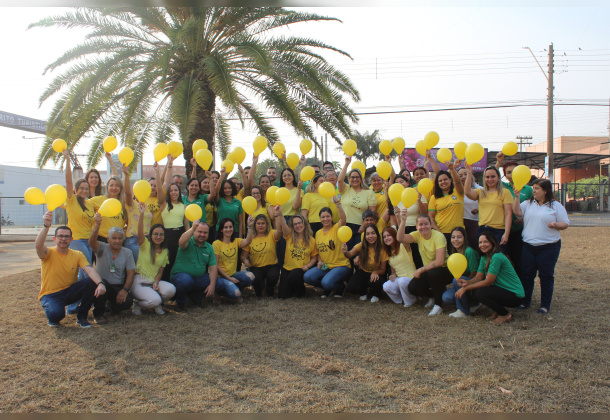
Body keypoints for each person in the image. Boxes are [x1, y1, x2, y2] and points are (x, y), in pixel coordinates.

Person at [36, 211, 105, 328]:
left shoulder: (77, 254)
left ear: (71, 239)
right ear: (54, 239)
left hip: (69, 291)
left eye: (66, 237)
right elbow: (38, 245)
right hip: (51, 294)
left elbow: (89, 270)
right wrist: (46, 226)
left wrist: (100, 283)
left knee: (91, 281)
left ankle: (82, 317)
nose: (63, 239)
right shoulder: (48, 253)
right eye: (60, 236)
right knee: (56, 316)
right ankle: (52, 311)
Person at [512, 179, 569, 314]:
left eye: (537, 188)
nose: (534, 191)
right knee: (527, 275)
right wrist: (517, 197)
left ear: (545, 191)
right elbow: (517, 212)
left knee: (546, 276)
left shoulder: (555, 206)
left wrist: (555, 225)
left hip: (549, 247)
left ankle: (545, 305)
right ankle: (525, 302)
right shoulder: (529, 203)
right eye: (533, 188)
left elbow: (565, 223)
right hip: (529, 246)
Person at [454, 232, 524, 324]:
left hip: (515, 295)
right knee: (478, 290)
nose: (482, 245)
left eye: (485, 242)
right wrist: (468, 282)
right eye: (480, 242)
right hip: (502, 290)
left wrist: (465, 288)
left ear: (493, 242)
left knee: (480, 292)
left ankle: (505, 315)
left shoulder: (497, 257)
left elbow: (488, 282)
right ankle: (497, 311)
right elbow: (479, 277)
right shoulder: (484, 257)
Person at [397, 212, 452, 316]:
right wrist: (403, 221)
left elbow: (440, 262)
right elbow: (400, 238)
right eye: (420, 224)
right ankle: (433, 296)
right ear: (417, 226)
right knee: (413, 287)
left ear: (431, 225)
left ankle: (438, 305)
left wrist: (420, 270)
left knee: (433, 273)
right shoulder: (417, 235)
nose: (423, 227)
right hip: (430, 270)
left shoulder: (438, 236)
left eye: (426, 224)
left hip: (444, 270)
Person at [89, 214, 136, 324]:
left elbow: (130, 274)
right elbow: (91, 242)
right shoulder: (101, 248)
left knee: (127, 301)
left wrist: (124, 290)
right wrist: (97, 225)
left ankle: (112, 307)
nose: (117, 241)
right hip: (102, 285)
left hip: (118, 287)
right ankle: (98, 314)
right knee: (102, 286)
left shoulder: (127, 253)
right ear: (108, 239)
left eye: (120, 238)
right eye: (114, 238)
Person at [130, 202, 176, 315]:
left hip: (152, 281)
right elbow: (140, 231)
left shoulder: (165, 252)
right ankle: (138, 303)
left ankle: (156, 302)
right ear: (151, 235)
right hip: (139, 281)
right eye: (155, 234)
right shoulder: (145, 244)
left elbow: (160, 272)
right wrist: (141, 215)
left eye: (161, 235)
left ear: (164, 237)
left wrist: (156, 281)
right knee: (155, 300)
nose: (158, 237)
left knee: (171, 290)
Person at [304, 196, 352, 298]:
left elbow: (343, 219)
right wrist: (320, 261)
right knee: (307, 277)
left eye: (328, 216)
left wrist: (338, 205)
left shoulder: (336, 228)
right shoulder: (318, 233)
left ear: (331, 217)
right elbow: (319, 251)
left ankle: (339, 287)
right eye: (323, 217)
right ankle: (328, 287)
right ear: (320, 218)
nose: (325, 219)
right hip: (326, 267)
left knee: (327, 282)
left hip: (341, 265)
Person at [496, 153, 534, 278]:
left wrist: (523, 219)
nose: (511, 174)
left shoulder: (528, 190)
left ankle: (519, 288)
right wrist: (499, 161)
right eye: (508, 172)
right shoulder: (503, 187)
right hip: (503, 229)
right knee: (502, 260)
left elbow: (533, 208)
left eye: (514, 171)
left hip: (519, 231)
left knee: (518, 260)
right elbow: (491, 176)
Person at [169, 220, 218, 312]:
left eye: (205, 233)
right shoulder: (188, 242)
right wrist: (192, 228)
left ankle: (195, 298)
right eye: (199, 231)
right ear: (194, 232)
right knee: (186, 280)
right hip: (180, 277)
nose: (202, 235)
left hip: (197, 279)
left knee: (213, 279)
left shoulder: (209, 247)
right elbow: (181, 242)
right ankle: (180, 304)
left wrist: (212, 285)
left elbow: (213, 268)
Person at [62, 150, 95, 282]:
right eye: (81, 188)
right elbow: (69, 182)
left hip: (89, 241)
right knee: (88, 271)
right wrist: (68, 161)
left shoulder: (90, 204)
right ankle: (89, 299)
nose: (84, 190)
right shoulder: (71, 200)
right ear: (75, 190)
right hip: (77, 240)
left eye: (86, 188)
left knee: (82, 273)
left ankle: (78, 301)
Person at [155, 156, 189, 279]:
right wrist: (161, 170)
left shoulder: (184, 206)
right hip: (167, 236)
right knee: (166, 263)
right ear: (169, 193)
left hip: (180, 234)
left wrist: (188, 237)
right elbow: (159, 189)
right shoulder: (164, 204)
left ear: (179, 192)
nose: (174, 192)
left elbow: (186, 225)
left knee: (178, 262)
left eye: (176, 190)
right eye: (171, 190)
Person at [464, 164, 513, 249]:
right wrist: (469, 173)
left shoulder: (505, 192)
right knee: (483, 258)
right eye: (487, 177)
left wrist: (506, 233)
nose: (490, 179)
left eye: (493, 176)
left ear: (498, 177)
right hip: (483, 230)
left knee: (497, 258)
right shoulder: (481, 191)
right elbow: (467, 192)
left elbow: (508, 213)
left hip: (498, 231)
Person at [275, 208, 318, 299]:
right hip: (287, 269)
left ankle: (301, 290)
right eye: (295, 224)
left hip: (300, 270)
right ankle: (292, 288)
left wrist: (308, 266)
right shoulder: (289, 235)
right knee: (282, 296)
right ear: (292, 226)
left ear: (304, 224)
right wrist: (280, 214)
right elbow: (283, 225)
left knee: (294, 277)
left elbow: (314, 258)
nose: (298, 226)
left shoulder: (312, 240)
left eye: (299, 223)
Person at [441, 227, 481, 318]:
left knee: (457, 280)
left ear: (464, 238)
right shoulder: (454, 252)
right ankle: (472, 304)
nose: (456, 240)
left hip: (473, 284)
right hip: (461, 284)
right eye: (453, 237)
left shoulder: (469, 251)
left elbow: (474, 273)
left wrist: (464, 283)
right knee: (446, 297)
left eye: (459, 237)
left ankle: (463, 311)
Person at [212, 217, 255, 302]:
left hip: (233, 275)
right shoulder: (216, 244)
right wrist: (229, 278)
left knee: (251, 276)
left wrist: (249, 227)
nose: (228, 229)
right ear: (221, 230)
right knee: (237, 295)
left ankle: (233, 288)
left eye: (230, 227)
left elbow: (248, 241)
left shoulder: (236, 241)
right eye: (226, 227)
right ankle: (218, 293)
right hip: (221, 277)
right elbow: (215, 265)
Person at [338, 156, 376, 249]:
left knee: (359, 253)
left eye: (357, 177)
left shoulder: (368, 192)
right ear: (349, 178)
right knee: (347, 252)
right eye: (352, 177)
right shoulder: (345, 189)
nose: (355, 179)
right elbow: (339, 180)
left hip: (361, 227)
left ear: (361, 178)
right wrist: (346, 164)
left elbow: (372, 212)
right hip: (345, 226)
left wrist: (364, 226)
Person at [342, 224, 388, 303]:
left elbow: (383, 270)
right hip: (363, 272)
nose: (370, 236)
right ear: (365, 236)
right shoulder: (361, 245)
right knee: (351, 287)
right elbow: (349, 255)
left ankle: (376, 294)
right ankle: (363, 291)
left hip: (377, 273)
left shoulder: (382, 249)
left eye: (373, 233)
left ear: (377, 234)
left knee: (376, 281)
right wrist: (345, 251)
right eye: (367, 234)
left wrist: (376, 272)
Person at [241, 214, 282, 297]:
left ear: (267, 224)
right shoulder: (250, 237)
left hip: (271, 265)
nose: (260, 225)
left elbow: (279, 231)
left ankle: (270, 288)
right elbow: (243, 256)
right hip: (256, 267)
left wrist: (277, 216)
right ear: (255, 225)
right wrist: (245, 261)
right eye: (258, 223)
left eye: (263, 223)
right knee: (257, 285)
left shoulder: (271, 234)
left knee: (273, 277)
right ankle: (260, 288)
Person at [428, 161, 465, 245]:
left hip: (459, 233)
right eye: (440, 180)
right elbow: (430, 217)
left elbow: (458, 182)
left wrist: (452, 169)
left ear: (450, 180)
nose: (443, 182)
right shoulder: (434, 198)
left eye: (445, 179)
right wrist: (438, 232)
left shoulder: (458, 192)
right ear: (437, 183)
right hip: (442, 233)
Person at [381, 226, 417, 307]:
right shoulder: (389, 252)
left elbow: (402, 236)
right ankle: (400, 300)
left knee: (402, 281)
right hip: (400, 279)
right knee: (386, 286)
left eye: (389, 235)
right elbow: (393, 271)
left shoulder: (403, 246)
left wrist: (401, 219)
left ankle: (410, 301)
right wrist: (393, 275)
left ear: (394, 235)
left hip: (411, 278)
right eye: (384, 237)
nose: (386, 238)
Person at [122, 163, 151, 263]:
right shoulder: (131, 204)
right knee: (137, 268)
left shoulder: (146, 206)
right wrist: (126, 176)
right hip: (133, 240)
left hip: (147, 240)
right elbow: (127, 193)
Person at [88, 175, 126, 242]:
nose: (114, 188)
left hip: (117, 241)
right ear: (107, 187)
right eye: (111, 185)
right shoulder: (98, 200)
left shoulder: (124, 203)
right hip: (101, 240)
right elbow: (80, 205)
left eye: (117, 185)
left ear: (121, 188)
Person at [210, 166, 244, 238]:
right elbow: (216, 190)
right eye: (225, 188)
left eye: (229, 188)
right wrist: (222, 176)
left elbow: (240, 222)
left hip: (235, 232)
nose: (227, 190)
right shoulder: (219, 200)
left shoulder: (238, 202)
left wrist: (240, 237)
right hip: (220, 232)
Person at [457, 167, 481, 251]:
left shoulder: (479, 189)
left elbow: (487, 205)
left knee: (474, 247)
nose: (463, 177)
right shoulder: (456, 191)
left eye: (465, 174)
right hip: (461, 222)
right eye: (460, 175)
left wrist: (478, 210)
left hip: (475, 222)